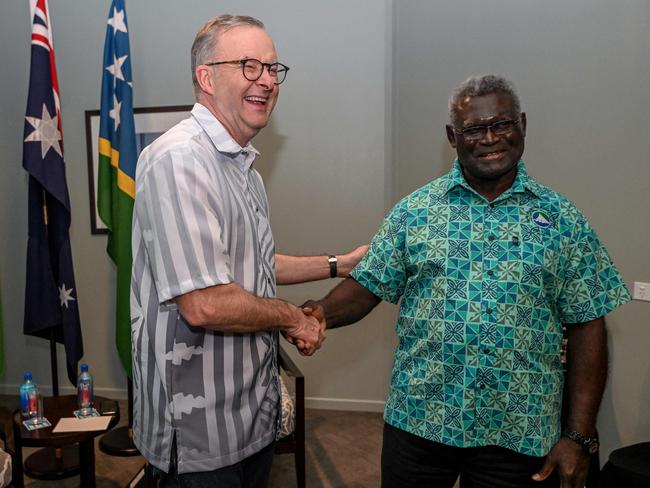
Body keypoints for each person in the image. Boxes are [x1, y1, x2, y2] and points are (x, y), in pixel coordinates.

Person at [305, 74, 631, 488]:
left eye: (503, 124)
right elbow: (369, 284)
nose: (490, 138)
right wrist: (319, 315)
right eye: (474, 129)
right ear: (452, 137)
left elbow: (588, 324)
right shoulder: (415, 211)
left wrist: (578, 437)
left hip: (520, 432)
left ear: (523, 125)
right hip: (421, 423)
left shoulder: (564, 220)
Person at [130, 15, 364, 487]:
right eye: (249, 66)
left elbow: (253, 263)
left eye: (274, 69)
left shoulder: (246, 172)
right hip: (200, 439)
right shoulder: (180, 160)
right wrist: (295, 319)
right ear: (206, 77)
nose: (267, 81)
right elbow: (206, 302)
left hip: (250, 421)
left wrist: (339, 264)